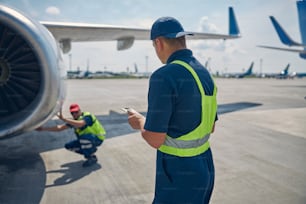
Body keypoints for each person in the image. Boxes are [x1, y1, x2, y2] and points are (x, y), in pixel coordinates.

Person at [127, 16, 218, 203]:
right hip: (205, 168)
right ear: (183, 40)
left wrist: (140, 122)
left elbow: (155, 139)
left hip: (178, 175)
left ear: (158, 43)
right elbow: (210, 127)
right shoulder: (204, 73)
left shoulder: (164, 76)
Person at [37, 103, 106, 167]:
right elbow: (60, 128)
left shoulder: (87, 116)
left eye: (76, 112)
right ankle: (91, 154)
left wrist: (64, 119)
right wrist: (43, 129)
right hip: (87, 140)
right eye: (72, 113)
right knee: (69, 146)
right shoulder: (74, 121)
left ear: (80, 110)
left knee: (84, 138)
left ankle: (90, 156)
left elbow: (81, 123)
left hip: (98, 138)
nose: (74, 114)